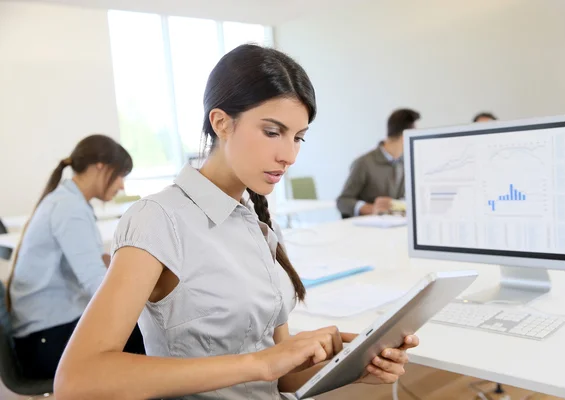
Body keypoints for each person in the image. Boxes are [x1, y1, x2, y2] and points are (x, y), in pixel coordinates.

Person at [54, 45, 419, 400]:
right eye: (272, 132)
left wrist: (354, 364)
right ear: (221, 122)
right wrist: (260, 363)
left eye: (298, 137)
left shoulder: (256, 222)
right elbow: (78, 380)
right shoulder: (158, 218)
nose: (289, 155)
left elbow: (280, 376)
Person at [7, 134, 144, 380]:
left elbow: (95, 265)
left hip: (43, 334)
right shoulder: (69, 209)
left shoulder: (69, 201)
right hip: (45, 341)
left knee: (141, 331)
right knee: (147, 335)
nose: (122, 185)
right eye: (121, 174)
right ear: (100, 166)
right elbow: (96, 285)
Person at [336, 108, 420, 218]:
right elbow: (343, 201)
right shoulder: (364, 163)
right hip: (367, 228)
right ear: (406, 136)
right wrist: (372, 208)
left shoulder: (407, 163)